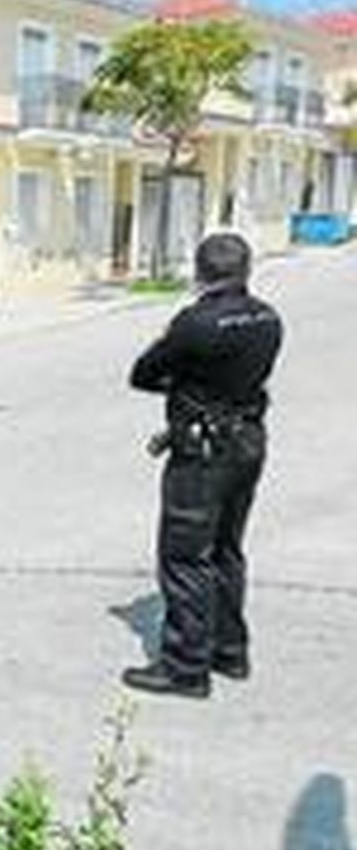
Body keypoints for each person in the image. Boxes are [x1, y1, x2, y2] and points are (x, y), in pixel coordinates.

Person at [123, 233, 283, 699]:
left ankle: (185, 668)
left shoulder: (196, 322)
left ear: (201, 272)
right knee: (227, 549)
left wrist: (183, 380)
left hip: (203, 451)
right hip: (249, 443)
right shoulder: (269, 316)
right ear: (246, 270)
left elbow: (143, 374)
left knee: (185, 557)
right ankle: (229, 651)